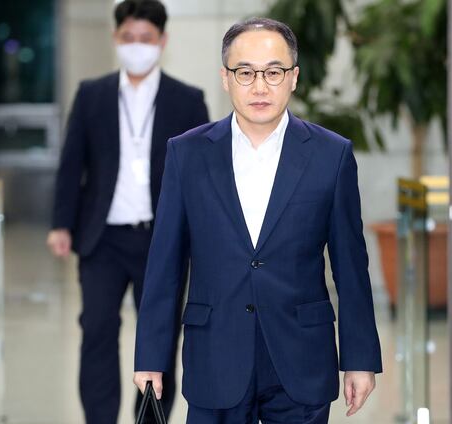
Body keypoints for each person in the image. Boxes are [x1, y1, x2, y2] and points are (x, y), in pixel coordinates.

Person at [133, 17, 382, 424]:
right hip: (215, 354)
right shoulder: (187, 154)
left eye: (273, 72)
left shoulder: (331, 155)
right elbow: (165, 265)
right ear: (226, 78)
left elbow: (351, 266)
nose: (260, 86)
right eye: (245, 73)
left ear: (294, 77)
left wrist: (360, 359)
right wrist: (150, 357)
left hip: (302, 356)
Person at [47, 1, 209, 422]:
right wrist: (61, 223)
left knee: (160, 339)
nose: (137, 46)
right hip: (102, 238)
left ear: (163, 41)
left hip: (162, 240)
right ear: (115, 38)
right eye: (128, 37)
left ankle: (150, 420)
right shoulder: (92, 94)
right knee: (96, 333)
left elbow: (202, 176)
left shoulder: (187, 100)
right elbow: (72, 163)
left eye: (146, 38)